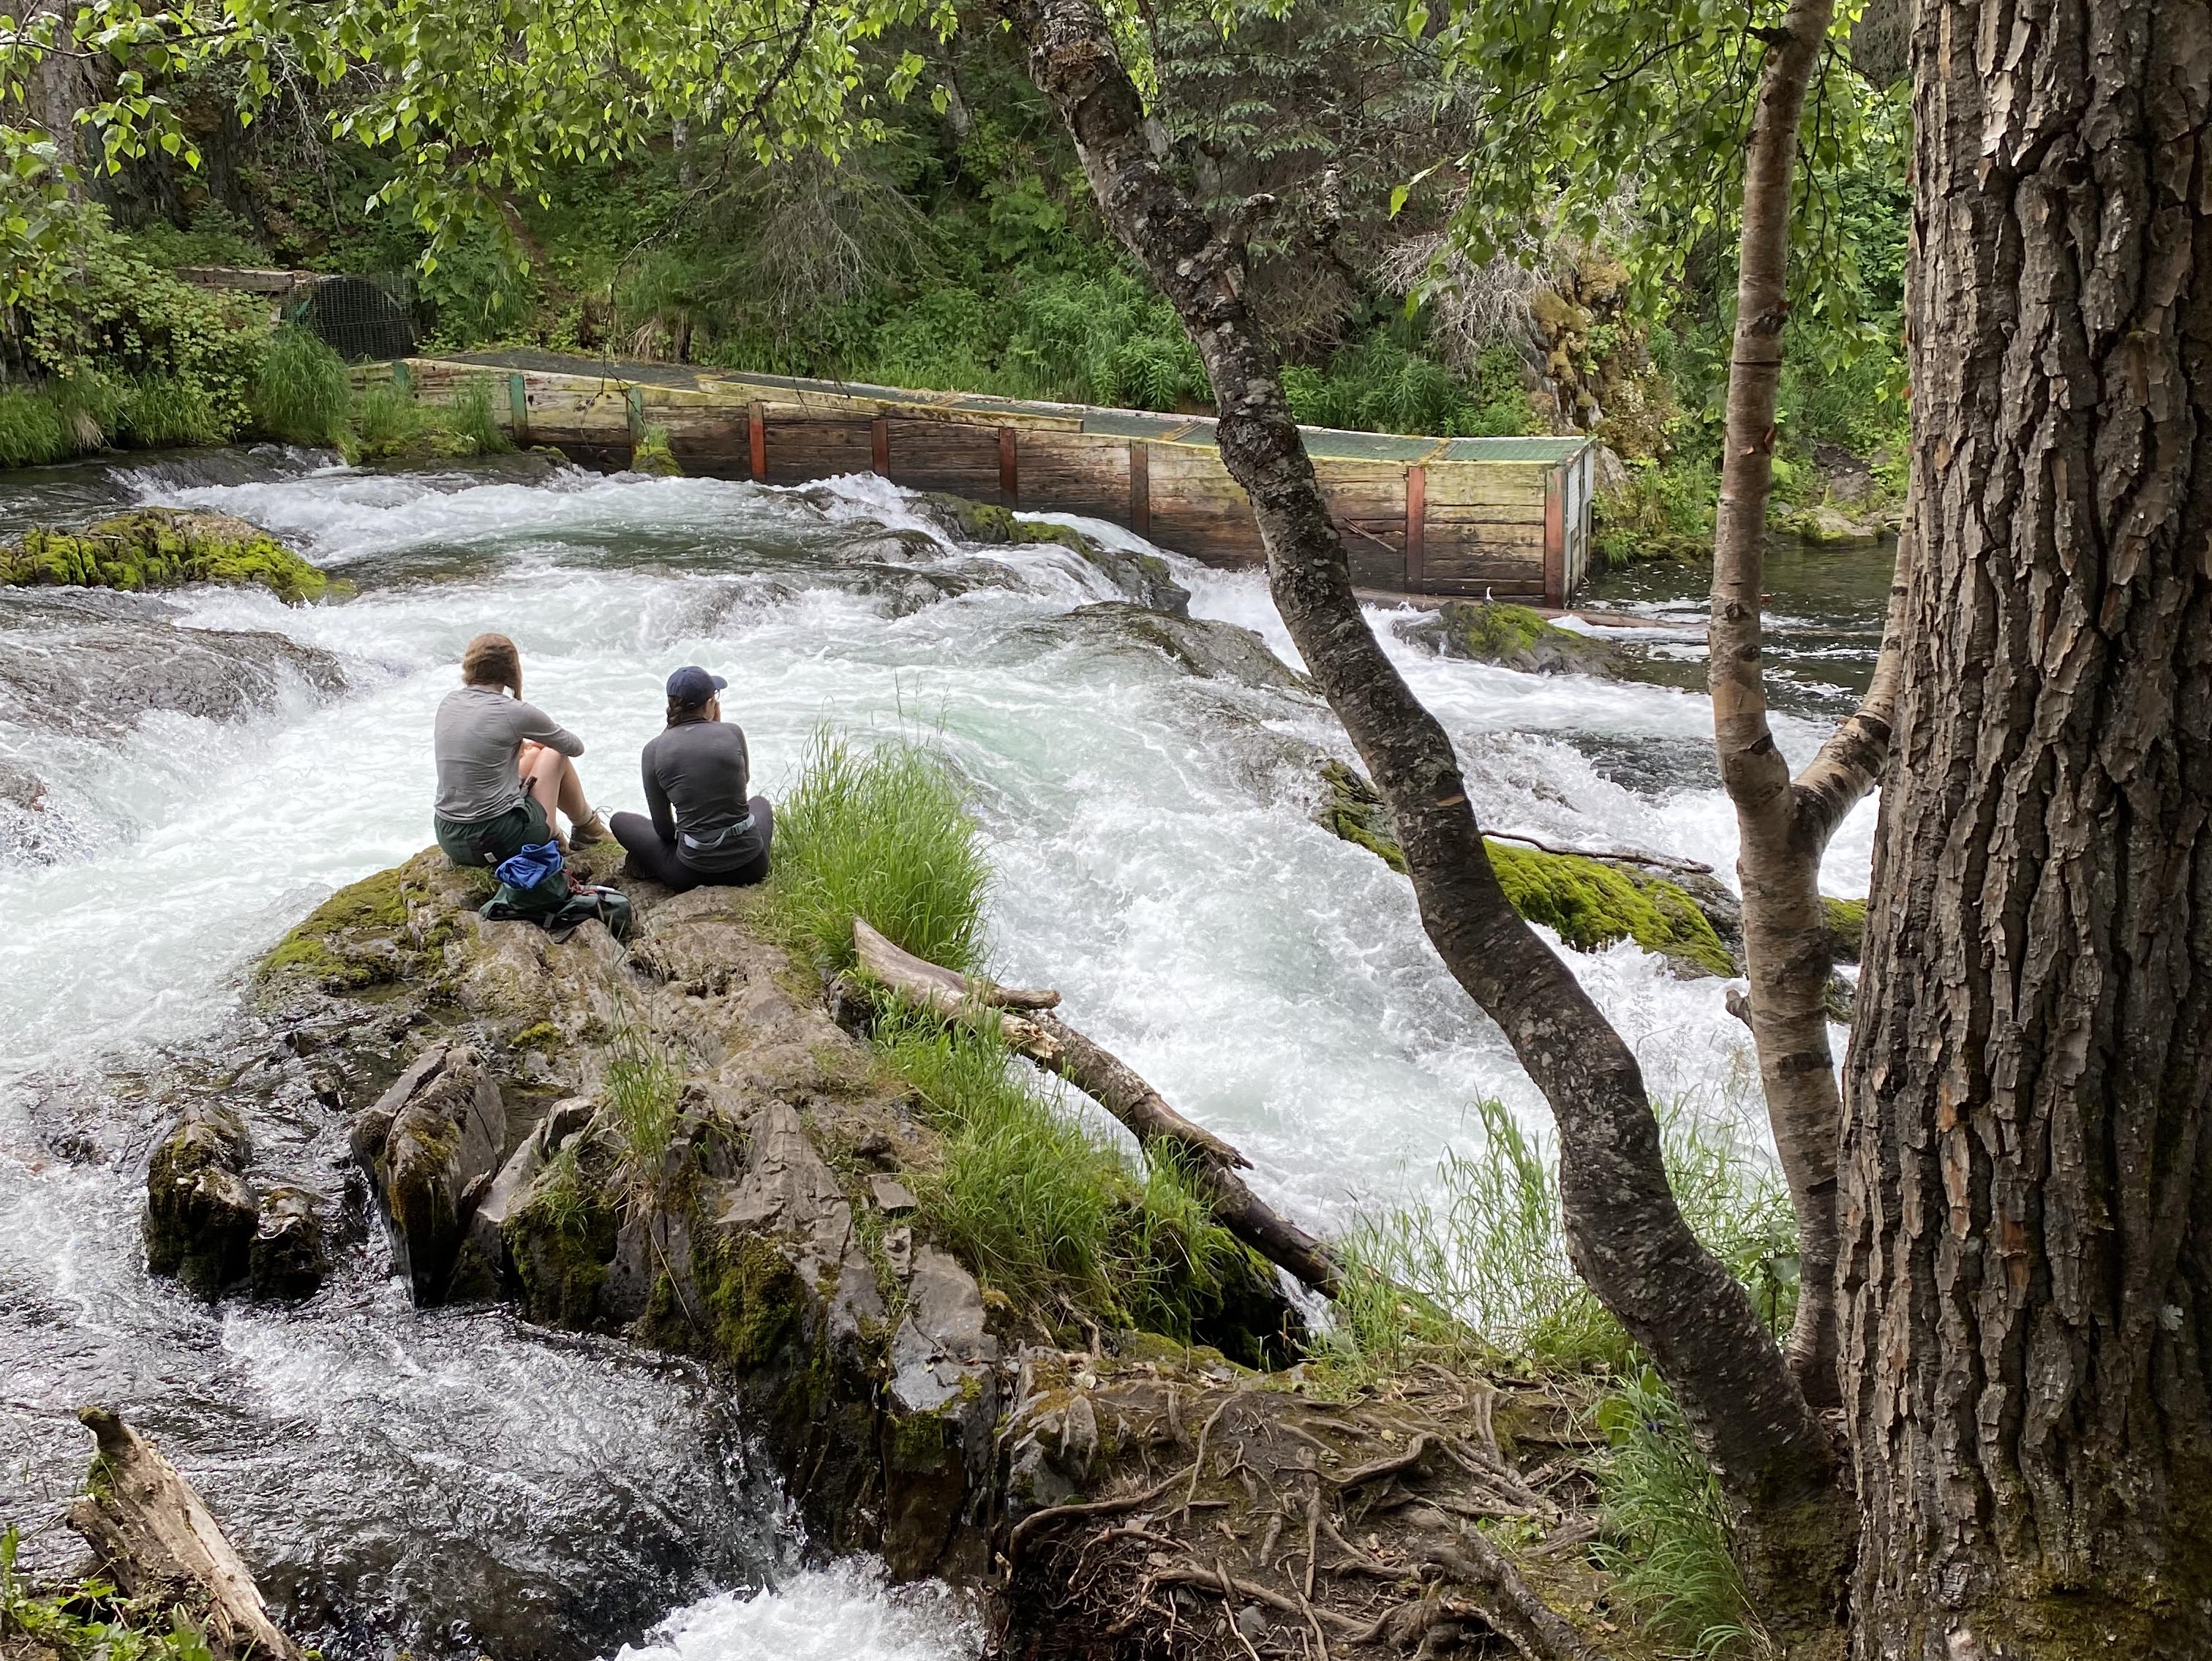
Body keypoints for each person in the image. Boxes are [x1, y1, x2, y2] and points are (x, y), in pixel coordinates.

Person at [432, 632, 607, 869]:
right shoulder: (514, 711)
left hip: (449, 837)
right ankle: (583, 828)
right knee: (553, 754)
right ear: (511, 669)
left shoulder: (449, 702)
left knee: (533, 754)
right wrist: (543, 740)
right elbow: (574, 747)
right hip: (498, 841)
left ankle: (582, 828)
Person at [610, 665, 773, 892]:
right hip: (751, 866)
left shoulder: (653, 750)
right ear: (709, 705)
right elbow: (740, 787)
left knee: (619, 820)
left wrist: (696, 832)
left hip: (689, 873)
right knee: (760, 803)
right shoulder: (733, 732)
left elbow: (664, 830)